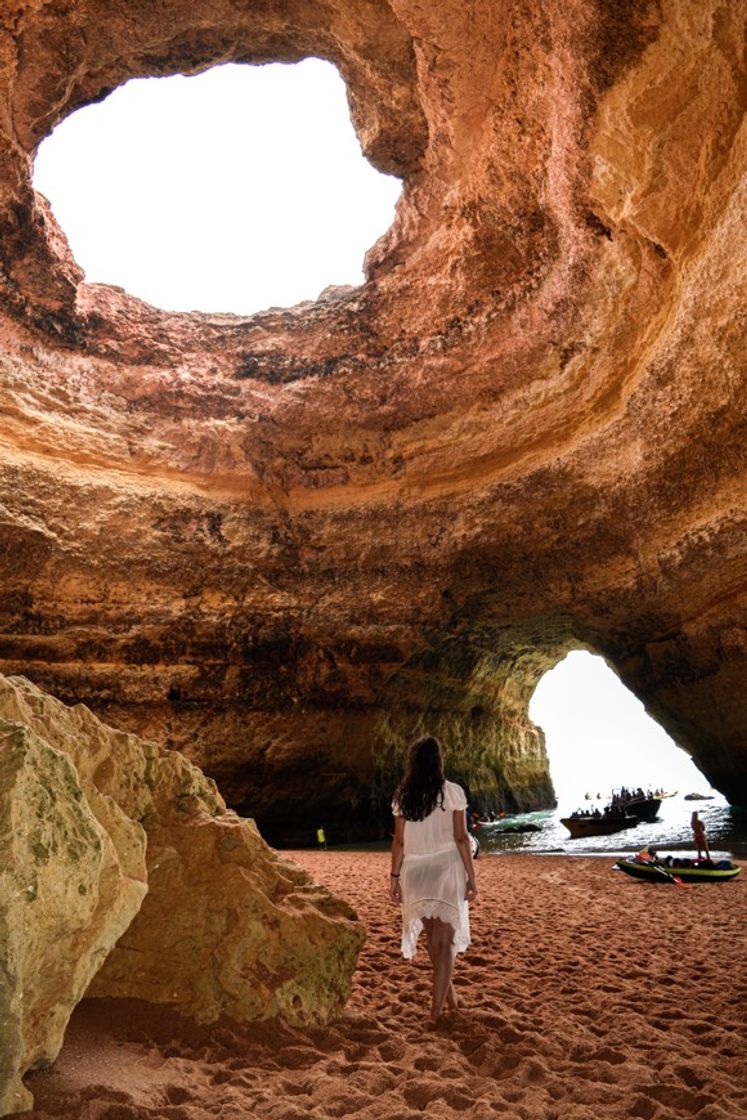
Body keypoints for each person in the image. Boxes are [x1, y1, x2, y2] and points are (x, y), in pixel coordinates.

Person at [389, 735, 478, 1022]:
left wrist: (394, 877)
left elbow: (399, 842)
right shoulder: (451, 792)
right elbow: (462, 838)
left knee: (433, 941)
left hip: (415, 871)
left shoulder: (404, 796)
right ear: (438, 762)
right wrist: (471, 877)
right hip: (445, 868)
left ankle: (450, 999)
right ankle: (435, 1011)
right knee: (446, 942)